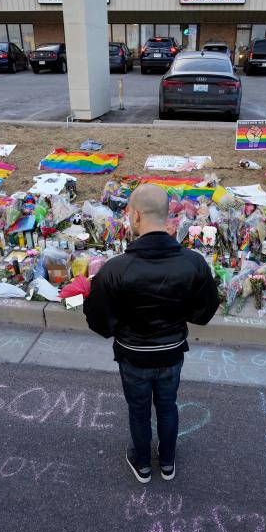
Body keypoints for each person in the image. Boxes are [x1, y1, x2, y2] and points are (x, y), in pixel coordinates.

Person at [84, 184, 220, 483]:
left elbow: (97, 320)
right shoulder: (193, 262)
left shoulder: (115, 268)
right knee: (168, 406)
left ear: (134, 215)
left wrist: (121, 327)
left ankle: (143, 464)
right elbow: (206, 310)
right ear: (167, 214)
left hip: (133, 355)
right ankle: (168, 461)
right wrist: (178, 314)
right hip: (171, 351)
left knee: (139, 410)